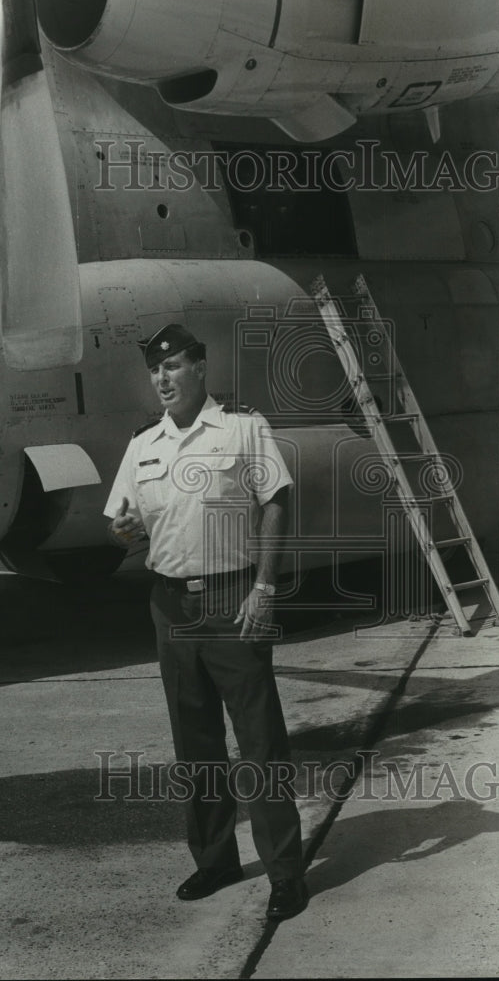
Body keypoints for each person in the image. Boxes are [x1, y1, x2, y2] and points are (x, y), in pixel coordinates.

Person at [103, 323, 307, 921]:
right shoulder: (144, 445)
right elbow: (119, 519)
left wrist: (264, 588)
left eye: (172, 368)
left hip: (234, 596)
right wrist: (118, 530)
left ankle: (287, 874)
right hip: (169, 606)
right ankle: (216, 859)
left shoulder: (243, 428)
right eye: (154, 371)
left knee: (260, 742)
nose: (162, 379)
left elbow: (276, 501)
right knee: (195, 743)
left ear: (200, 367)